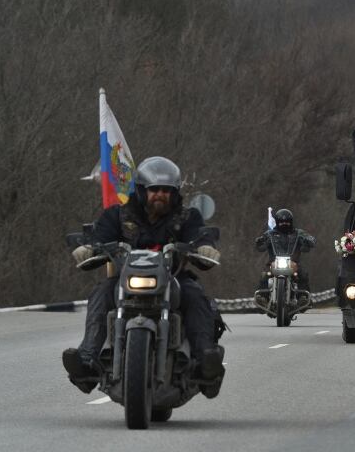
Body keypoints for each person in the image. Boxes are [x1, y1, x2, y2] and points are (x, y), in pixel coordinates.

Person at [62, 156, 226, 397]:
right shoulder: (118, 216)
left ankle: (204, 362)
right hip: (126, 280)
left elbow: (200, 236)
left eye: (166, 190)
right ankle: (87, 362)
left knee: (195, 295)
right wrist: (89, 246)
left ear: (174, 192)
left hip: (175, 278)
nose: (160, 195)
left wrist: (204, 246)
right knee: (101, 293)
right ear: (141, 190)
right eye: (154, 190)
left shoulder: (186, 217)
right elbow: (99, 236)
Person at [255, 209, 316, 295]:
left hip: (294, 263)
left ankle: (304, 297)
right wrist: (259, 241)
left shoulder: (298, 233)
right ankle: (262, 297)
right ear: (277, 222)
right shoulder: (270, 234)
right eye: (281, 222)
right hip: (273, 262)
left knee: (303, 275)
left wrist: (309, 240)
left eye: (287, 222)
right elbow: (261, 245)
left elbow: (310, 239)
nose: (284, 224)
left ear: (291, 222)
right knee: (264, 275)